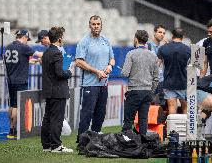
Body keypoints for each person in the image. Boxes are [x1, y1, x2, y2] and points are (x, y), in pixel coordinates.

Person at [75, 15, 115, 143]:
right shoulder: (84, 41)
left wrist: (110, 66)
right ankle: (82, 142)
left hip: (103, 84)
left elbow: (112, 58)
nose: (96, 26)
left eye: (98, 24)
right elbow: (79, 62)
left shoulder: (105, 40)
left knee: (100, 114)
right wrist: (96, 71)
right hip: (89, 84)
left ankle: (95, 141)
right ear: (89, 25)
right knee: (86, 114)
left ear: (101, 25)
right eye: (94, 24)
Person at [41, 27, 74, 153]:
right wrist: (69, 72)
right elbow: (60, 73)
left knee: (48, 118)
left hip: (49, 90)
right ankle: (56, 146)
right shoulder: (57, 53)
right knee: (56, 119)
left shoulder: (47, 52)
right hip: (58, 91)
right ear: (60, 38)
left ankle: (46, 145)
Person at [5, 29, 43, 139]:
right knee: (17, 106)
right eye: (27, 39)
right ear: (24, 37)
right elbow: (39, 54)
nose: (27, 41)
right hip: (20, 80)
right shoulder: (24, 47)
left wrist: (33, 61)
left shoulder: (8, 47)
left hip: (10, 80)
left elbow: (20, 60)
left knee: (12, 105)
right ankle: (14, 130)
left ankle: (10, 129)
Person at [121, 30, 159, 135]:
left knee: (128, 120)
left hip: (134, 91)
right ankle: (143, 145)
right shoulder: (153, 56)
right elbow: (156, 77)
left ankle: (126, 144)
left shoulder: (131, 54)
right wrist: (151, 91)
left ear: (136, 39)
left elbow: (125, 73)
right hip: (147, 92)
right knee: (143, 120)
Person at [157, 28, 191, 114]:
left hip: (169, 83)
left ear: (172, 36)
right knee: (186, 107)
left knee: (171, 107)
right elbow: (192, 67)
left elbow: (157, 65)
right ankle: (185, 127)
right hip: (184, 83)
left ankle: (172, 127)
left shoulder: (163, 48)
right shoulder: (188, 49)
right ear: (182, 37)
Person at [147, 24, 167, 106]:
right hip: (151, 80)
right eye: (160, 32)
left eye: (164, 33)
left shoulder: (164, 48)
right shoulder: (148, 46)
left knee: (162, 105)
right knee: (148, 104)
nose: (162, 34)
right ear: (154, 33)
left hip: (161, 80)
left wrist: (168, 49)